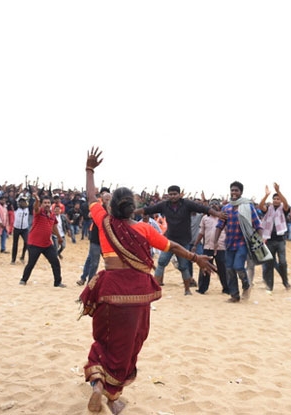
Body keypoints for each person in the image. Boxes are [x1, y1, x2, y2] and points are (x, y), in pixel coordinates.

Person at [79, 147, 216, 414]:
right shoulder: (143, 229)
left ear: (110, 206)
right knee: (129, 344)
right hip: (138, 295)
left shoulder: (104, 222)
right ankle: (113, 397)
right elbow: (172, 246)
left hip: (109, 290)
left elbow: (90, 197)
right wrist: (195, 257)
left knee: (104, 340)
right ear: (132, 208)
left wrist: (89, 170)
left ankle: (98, 384)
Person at [135, 185, 225, 295]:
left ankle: (187, 290)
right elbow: (147, 209)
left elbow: (203, 208)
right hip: (169, 241)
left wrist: (217, 214)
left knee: (183, 266)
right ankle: (155, 288)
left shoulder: (187, 204)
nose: (173, 196)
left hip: (184, 241)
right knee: (161, 263)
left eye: (175, 194)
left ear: (179, 195)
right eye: (171, 194)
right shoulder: (164, 205)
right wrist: (131, 212)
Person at [214, 181, 262, 302]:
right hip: (229, 243)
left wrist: (259, 242)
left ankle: (246, 285)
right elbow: (220, 225)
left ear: (241, 192)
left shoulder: (248, 206)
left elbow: (258, 225)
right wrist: (215, 242)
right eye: (232, 190)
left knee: (238, 266)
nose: (234, 193)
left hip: (243, 243)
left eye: (236, 190)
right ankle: (234, 295)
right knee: (229, 269)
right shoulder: (226, 208)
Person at [18, 192, 66, 287]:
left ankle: (57, 282)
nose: (47, 204)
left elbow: (54, 227)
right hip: (34, 243)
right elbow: (36, 208)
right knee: (31, 263)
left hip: (47, 244)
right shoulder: (39, 212)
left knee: (55, 262)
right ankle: (23, 280)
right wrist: (37, 200)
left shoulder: (52, 215)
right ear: (42, 204)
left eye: (48, 203)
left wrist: (59, 238)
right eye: (45, 203)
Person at [191, 199, 229, 294]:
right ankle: (202, 288)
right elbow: (201, 233)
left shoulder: (224, 218)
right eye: (212, 204)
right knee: (205, 268)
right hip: (208, 247)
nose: (214, 205)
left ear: (219, 206)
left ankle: (226, 288)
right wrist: (195, 245)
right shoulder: (205, 218)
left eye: (216, 204)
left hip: (221, 247)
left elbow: (228, 231)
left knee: (222, 268)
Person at [258, 182, 291, 291]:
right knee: (269, 264)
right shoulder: (269, 209)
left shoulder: (283, 209)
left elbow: (286, 204)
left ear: (280, 200)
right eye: (274, 199)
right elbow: (260, 206)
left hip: (280, 240)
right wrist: (266, 195)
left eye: (278, 199)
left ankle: (285, 282)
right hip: (270, 240)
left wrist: (278, 191)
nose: (276, 200)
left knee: (282, 262)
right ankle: (270, 286)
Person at [76, 189, 111, 286]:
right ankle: (88, 283)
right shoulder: (99, 209)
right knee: (93, 262)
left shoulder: (113, 212)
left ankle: (86, 280)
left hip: (106, 241)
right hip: (96, 239)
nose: (108, 201)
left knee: (109, 262)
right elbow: (90, 214)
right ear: (102, 200)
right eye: (106, 199)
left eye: (109, 199)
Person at [10, 196, 30, 264]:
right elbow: (13, 201)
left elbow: (33, 201)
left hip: (25, 229)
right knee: (15, 244)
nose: (22, 203)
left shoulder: (28, 209)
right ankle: (13, 259)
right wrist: (17, 194)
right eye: (21, 202)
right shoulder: (16, 209)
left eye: (23, 202)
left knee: (27, 242)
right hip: (16, 228)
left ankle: (22, 256)